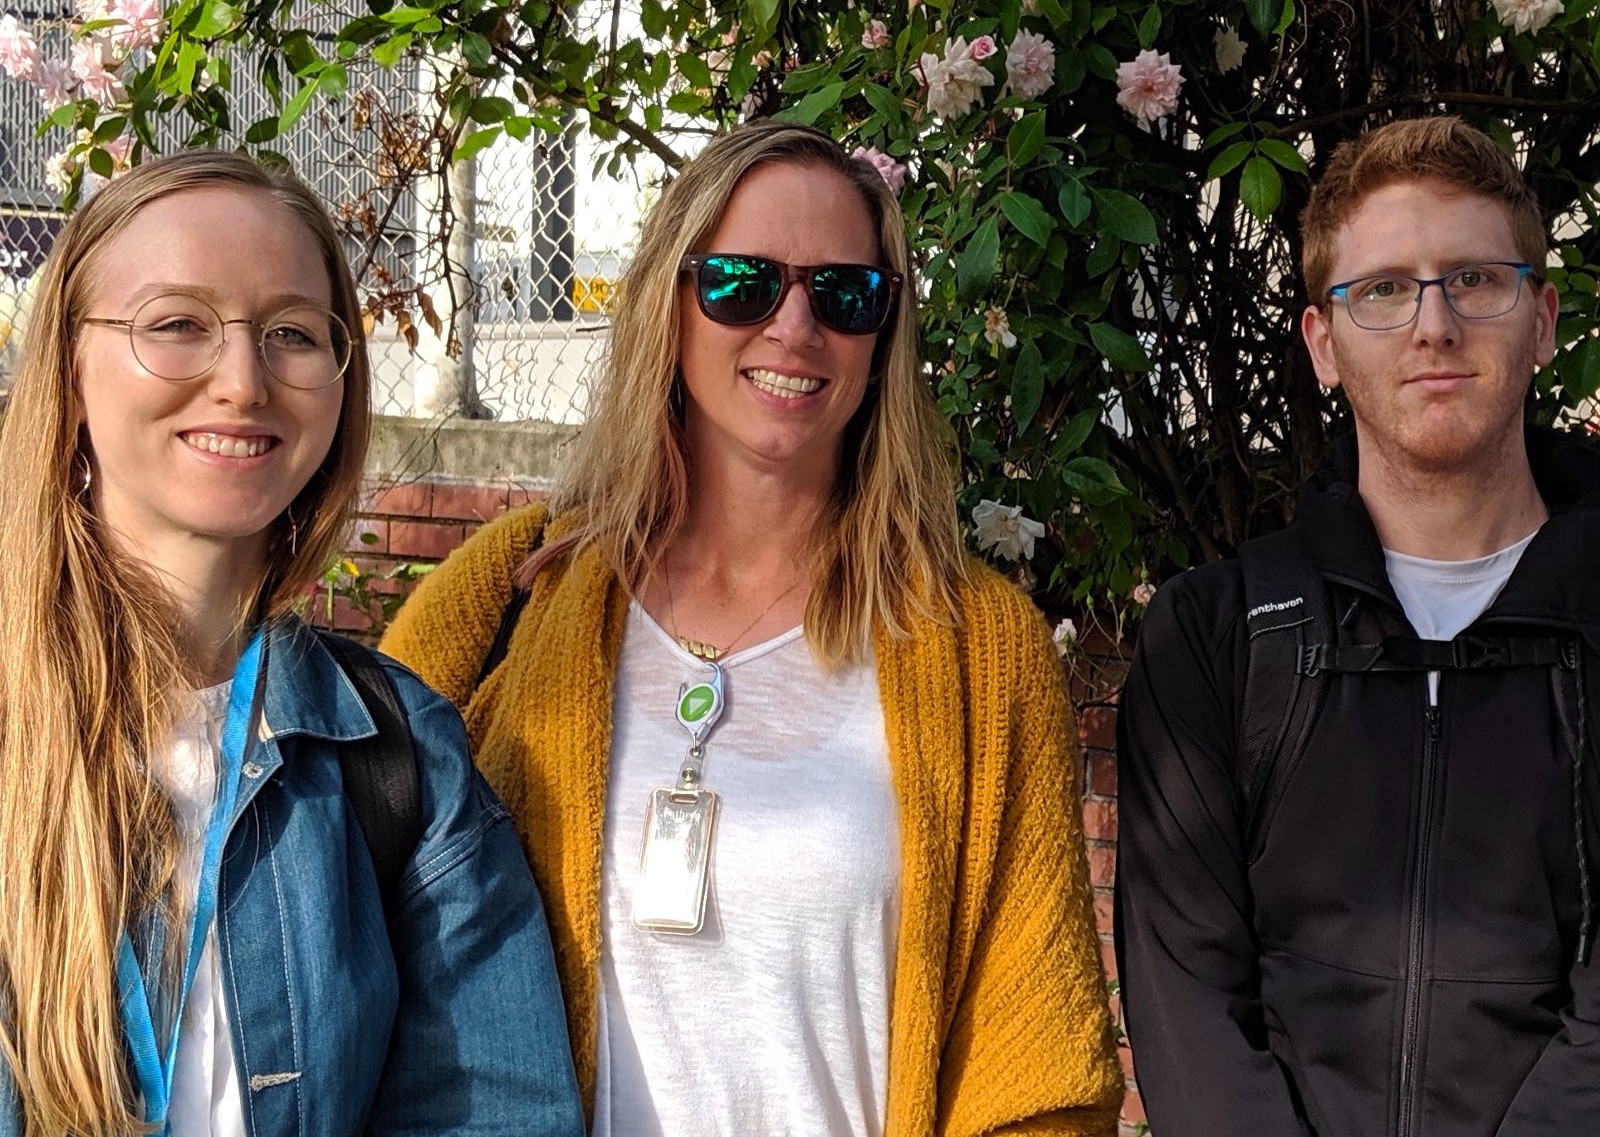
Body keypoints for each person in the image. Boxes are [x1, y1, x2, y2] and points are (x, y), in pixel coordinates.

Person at [382, 120, 1122, 1136]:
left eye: (845, 295)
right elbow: (356, 917)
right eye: (744, 283)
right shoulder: (516, 590)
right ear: (670, 300)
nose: (795, 327)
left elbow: (1038, 1071)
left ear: (884, 337)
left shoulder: (980, 650)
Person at [0, 151, 584, 1136]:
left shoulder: (402, 757)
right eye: (177, 324)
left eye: (292, 334)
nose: (243, 382)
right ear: (68, 366)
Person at [1116, 116, 1600, 1136]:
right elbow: (1189, 1006)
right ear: (1322, 344)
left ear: (1543, 320)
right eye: (1382, 290)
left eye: (1476, 278)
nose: (1434, 324)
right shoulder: (1214, 637)